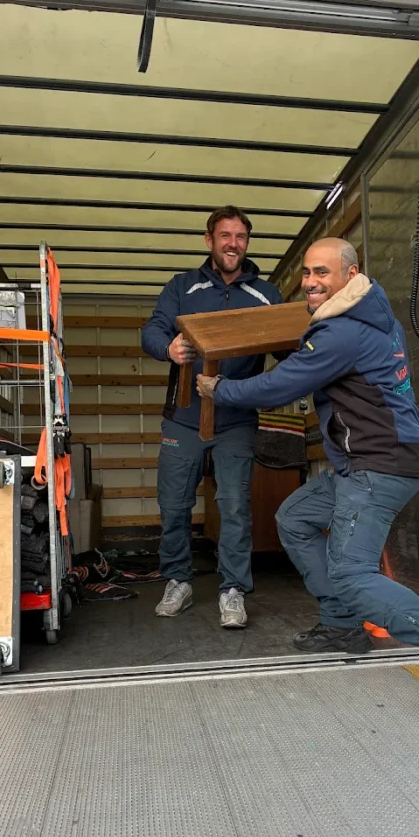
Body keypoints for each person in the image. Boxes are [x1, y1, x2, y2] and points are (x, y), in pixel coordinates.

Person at [197, 237, 419, 710]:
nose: (310, 282)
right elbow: (312, 368)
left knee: (351, 573)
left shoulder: (342, 332)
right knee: (295, 517)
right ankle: (342, 625)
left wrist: (219, 387)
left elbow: (279, 386)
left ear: (350, 275)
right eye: (307, 272)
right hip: (369, 462)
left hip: (378, 465)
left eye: (322, 273)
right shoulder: (368, 315)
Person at [142, 205, 283, 628]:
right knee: (173, 504)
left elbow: (289, 347)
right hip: (183, 417)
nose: (233, 244)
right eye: (225, 236)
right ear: (209, 240)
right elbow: (152, 331)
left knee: (235, 506)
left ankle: (233, 589)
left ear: (247, 243)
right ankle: (178, 581)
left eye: (240, 237)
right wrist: (167, 348)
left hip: (236, 418)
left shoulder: (267, 295)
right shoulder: (182, 286)